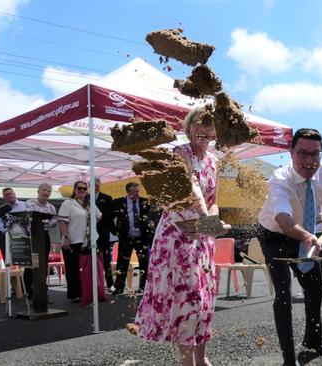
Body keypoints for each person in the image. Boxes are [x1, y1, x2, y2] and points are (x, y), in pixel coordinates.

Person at [135, 106, 226, 366]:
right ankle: (188, 362)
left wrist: (213, 222)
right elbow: (192, 187)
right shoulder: (179, 153)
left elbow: (213, 200)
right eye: (200, 123)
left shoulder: (215, 161)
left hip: (203, 237)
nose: (205, 130)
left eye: (210, 125)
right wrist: (205, 217)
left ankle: (202, 357)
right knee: (186, 298)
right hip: (177, 236)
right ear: (190, 126)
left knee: (205, 299)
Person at [257, 128, 322, 366]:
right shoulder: (279, 178)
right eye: (302, 154)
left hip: (306, 234)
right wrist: (305, 236)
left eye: (315, 154)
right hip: (274, 235)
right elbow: (283, 218)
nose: (309, 161)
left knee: (315, 288)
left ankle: (313, 340)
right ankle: (289, 358)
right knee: (283, 294)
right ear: (291, 152)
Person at [58, 181, 102, 303]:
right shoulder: (68, 203)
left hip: (88, 241)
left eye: (84, 188)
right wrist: (65, 237)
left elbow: (99, 216)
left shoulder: (90, 204)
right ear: (75, 190)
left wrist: (89, 225)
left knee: (88, 268)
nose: (82, 190)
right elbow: (62, 221)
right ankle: (75, 294)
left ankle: (87, 292)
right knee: (73, 269)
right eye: (79, 188)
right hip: (73, 240)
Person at [110, 182, 152, 295]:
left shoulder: (145, 202)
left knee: (144, 262)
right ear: (128, 191)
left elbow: (151, 217)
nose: (137, 193)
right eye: (134, 191)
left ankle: (144, 287)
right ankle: (119, 287)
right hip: (125, 237)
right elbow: (109, 218)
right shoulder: (118, 202)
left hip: (142, 238)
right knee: (122, 263)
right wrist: (115, 231)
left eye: (138, 191)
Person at [24, 183, 57, 299]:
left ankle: (42, 291)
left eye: (49, 191)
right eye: (44, 190)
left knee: (43, 264)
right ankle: (29, 291)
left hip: (44, 236)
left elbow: (53, 223)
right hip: (32, 236)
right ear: (38, 191)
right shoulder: (29, 203)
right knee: (31, 264)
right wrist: (44, 221)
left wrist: (46, 222)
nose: (46, 192)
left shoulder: (51, 207)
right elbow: (28, 218)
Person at [91, 177, 114, 290]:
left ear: (100, 185)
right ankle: (93, 283)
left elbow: (110, 217)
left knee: (106, 258)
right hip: (89, 233)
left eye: (97, 184)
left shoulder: (107, 198)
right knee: (90, 258)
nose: (95, 186)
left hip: (103, 233)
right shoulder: (85, 198)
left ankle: (110, 283)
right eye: (93, 184)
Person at [0, 188, 26, 256]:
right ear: (3, 197)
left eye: (10, 193)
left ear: (14, 194)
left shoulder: (25, 205)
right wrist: (8, 231)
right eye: (6, 195)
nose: (9, 196)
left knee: (23, 256)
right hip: (7, 238)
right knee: (8, 257)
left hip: (24, 237)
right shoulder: (0, 210)